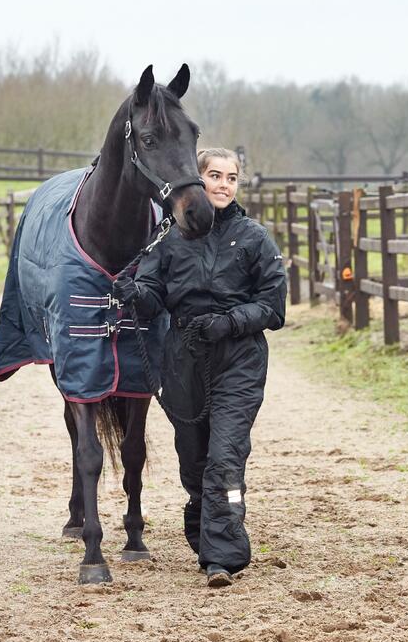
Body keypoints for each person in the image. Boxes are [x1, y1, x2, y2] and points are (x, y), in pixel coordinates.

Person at [113, 147, 287, 588]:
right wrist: (134, 292)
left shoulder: (253, 238)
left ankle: (222, 557)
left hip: (238, 360)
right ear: (198, 179)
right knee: (193, 460)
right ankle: (203, 517)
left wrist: (230, 322)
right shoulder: (169, 239)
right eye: (215, 175)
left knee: (225, 457)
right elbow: (153, 299)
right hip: (184, 359)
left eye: (232, 177)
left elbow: (273, 306)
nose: (224, 184)